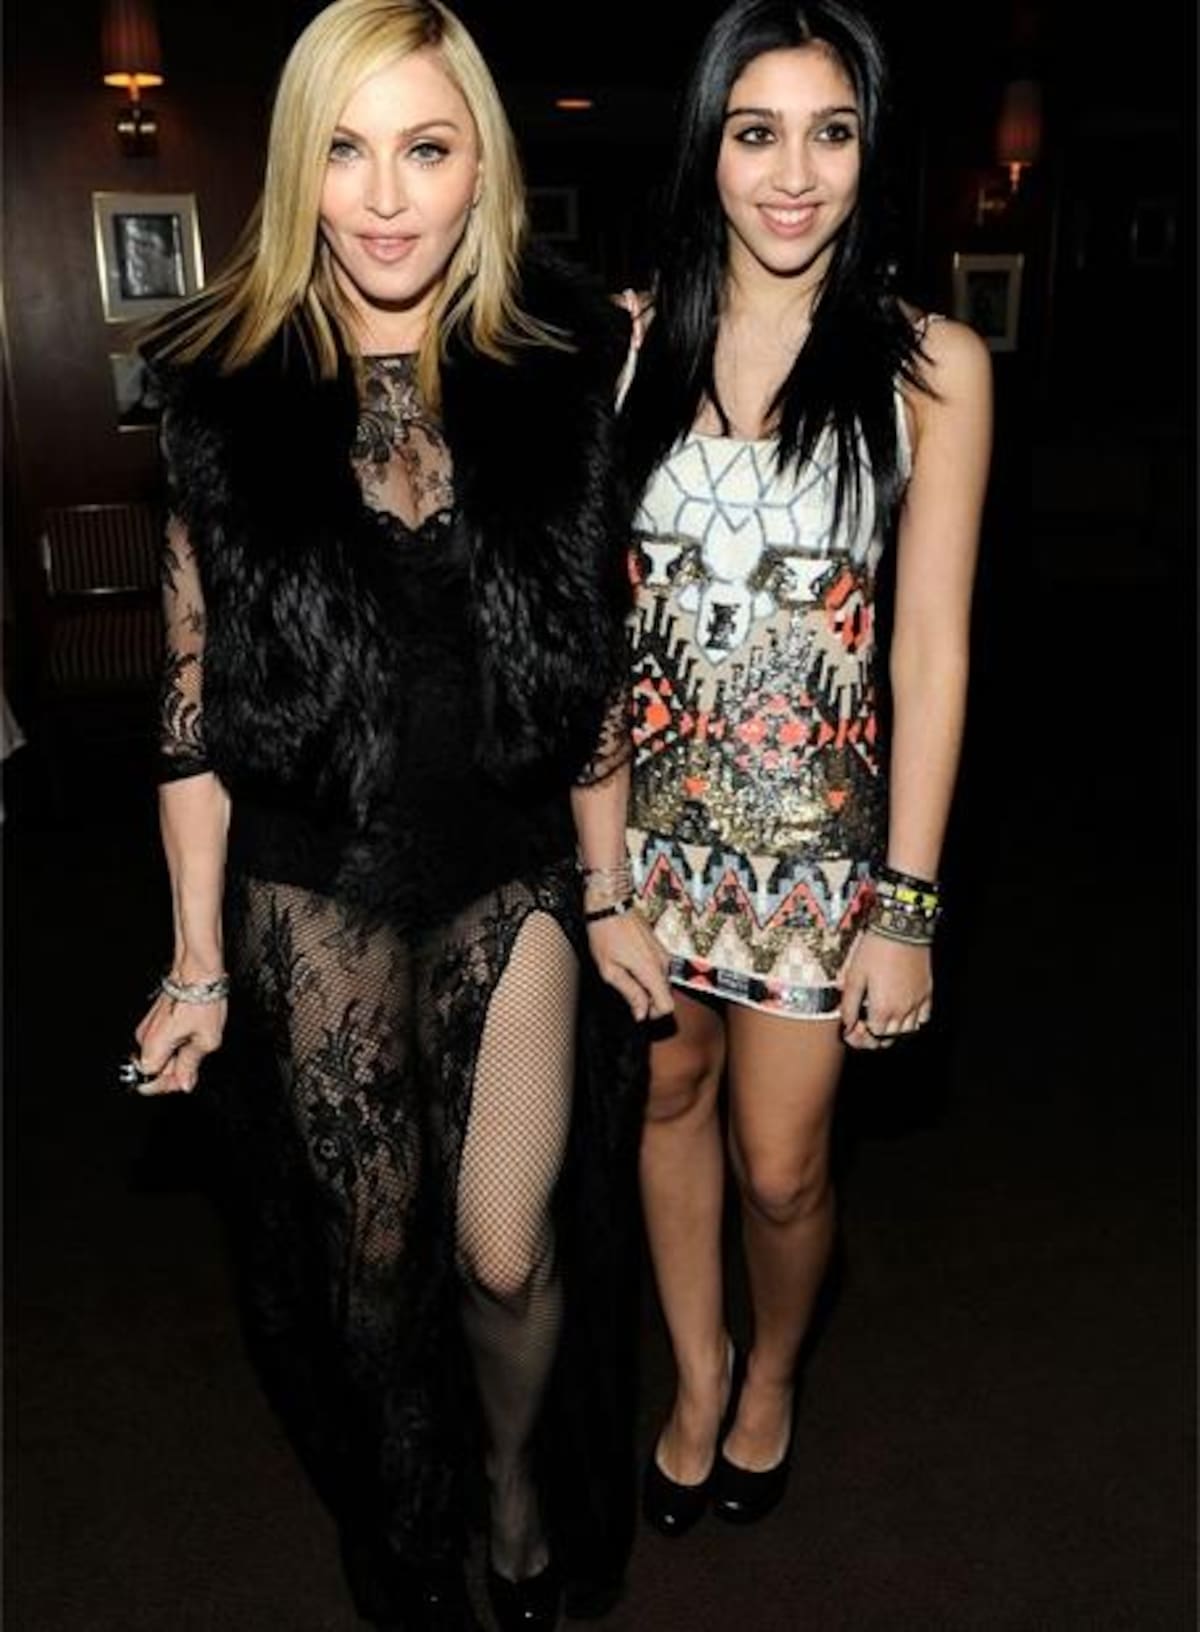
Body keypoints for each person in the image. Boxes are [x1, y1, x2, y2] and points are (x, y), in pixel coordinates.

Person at [124, 2, 671, 1628]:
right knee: (368, 1278)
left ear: (480, 166)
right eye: (346, 151)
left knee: (505, 1249)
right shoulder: (220, 394)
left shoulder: (561, 373)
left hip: (510, 872)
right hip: (316, 885)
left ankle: (513, 1485)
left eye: (425, 149)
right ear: (301, 168)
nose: (383, 197)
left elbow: (591, 664)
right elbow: (190, 708)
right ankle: (414, 1538)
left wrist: (611, 889)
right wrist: (197, 964)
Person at [616, 0, 991, 1536]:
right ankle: (697, 1374)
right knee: (666, 1101)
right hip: (643, 841)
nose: (792, 174)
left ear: (869, 150)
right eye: (755, 132)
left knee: (782, 1168)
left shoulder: (933, 365)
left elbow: (932, 654)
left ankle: (773, 1367)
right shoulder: (629, 345)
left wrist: (908, 905)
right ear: (706, 148)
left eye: (830, 133)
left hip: (818, 856)